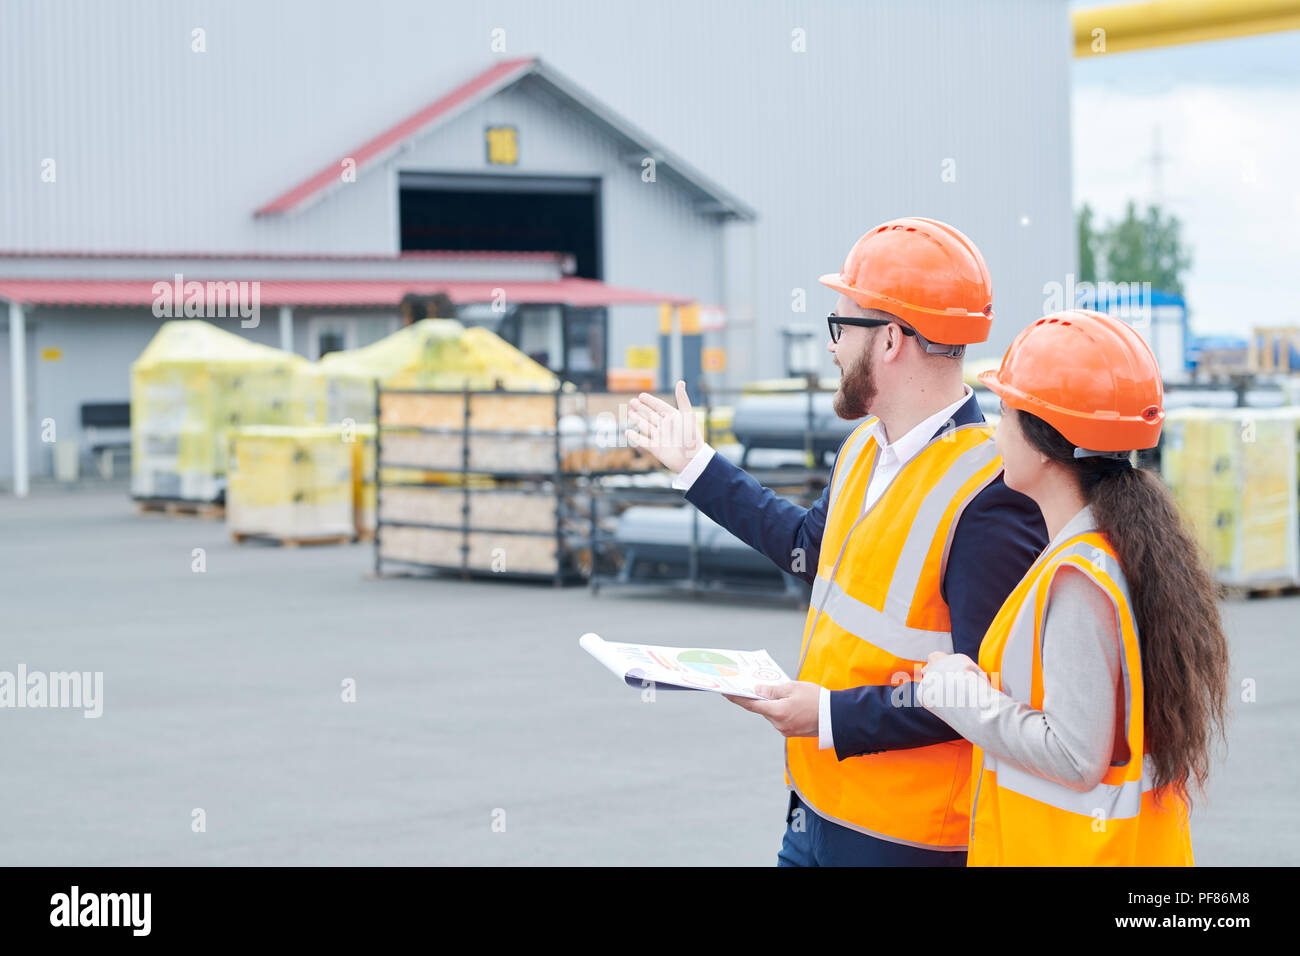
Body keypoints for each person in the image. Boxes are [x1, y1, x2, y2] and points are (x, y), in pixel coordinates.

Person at [625, 218, 1048, 866]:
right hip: (816, 811)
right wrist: (696, 466)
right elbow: (805, 548)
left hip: (905, 841)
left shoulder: (990, 495)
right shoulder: (864, 451)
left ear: (889, 339)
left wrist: (825, 715)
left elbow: (985, 694)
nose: (829, 347)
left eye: (838, 326)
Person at [918, 309, 1230, 865]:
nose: (995, 429)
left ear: (1043, 444)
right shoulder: (1118, 548)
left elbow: (1074, 753)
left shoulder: (1080, 577)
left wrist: (953, 693)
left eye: (1006, 412)